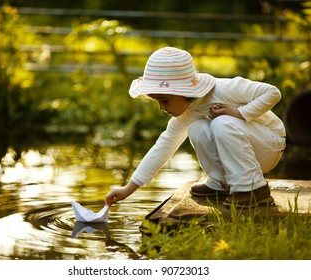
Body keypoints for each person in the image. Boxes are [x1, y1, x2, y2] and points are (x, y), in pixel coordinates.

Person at [105, 46, 286, 208]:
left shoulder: (224, 89)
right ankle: (221, 183)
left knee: (222, 123)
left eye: (164, 100)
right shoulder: (189, 112)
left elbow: (272, 92)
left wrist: (240, 112)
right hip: (248, 148)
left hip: (268, 144)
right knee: (197, 128)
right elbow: (163, 147)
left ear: (182, 91)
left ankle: (254, 189)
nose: (161, 107)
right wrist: (128, 189)